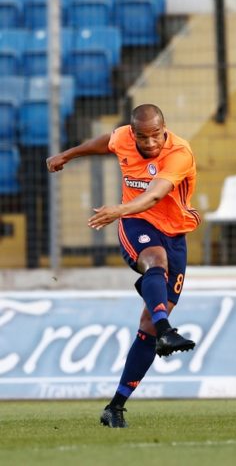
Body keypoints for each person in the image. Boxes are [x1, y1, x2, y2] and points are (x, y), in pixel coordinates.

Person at [46, 104, 199, 428]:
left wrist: (117, 208)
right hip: (136, 223)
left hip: (174, 234)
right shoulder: (123, 138)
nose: (151, 143)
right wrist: (67, 155)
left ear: (164, 129)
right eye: (143, 137)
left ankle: (115, 407)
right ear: (133, 134)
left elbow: (155, 195)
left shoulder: (179, 153)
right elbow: (106, 141)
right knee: (155, 261)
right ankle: (166, 330)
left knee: (147, 325)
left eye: (156, 135)